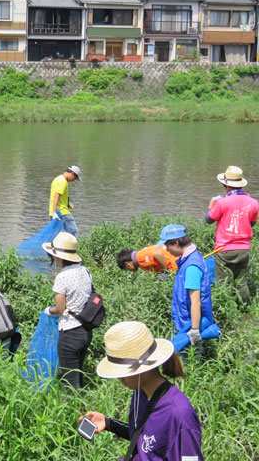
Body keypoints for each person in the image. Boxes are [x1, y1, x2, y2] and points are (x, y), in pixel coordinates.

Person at [83, 321, 203, 461]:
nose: (118, 378)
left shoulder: (179, 414)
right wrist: (109, 424)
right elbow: (148, 439)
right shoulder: (141, 392)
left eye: (122, 371)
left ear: (143, 369)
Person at [42, 232, 92, 388]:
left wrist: (48, 311)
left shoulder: (62, 277)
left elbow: (60, 308)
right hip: (86, 330)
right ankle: (82, 404)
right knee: (78, 372)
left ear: (58, 257)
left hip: (70, 333)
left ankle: (74, 409)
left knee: (70, 381)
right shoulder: (85, 271)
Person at [205, 166, 258, 307]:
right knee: (241, 280)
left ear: (225, 184)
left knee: (223, 281)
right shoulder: (253, 203)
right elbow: (251, 223)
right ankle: (245, 307)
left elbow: (208, 220)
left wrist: (211, 205)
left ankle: (226, 308)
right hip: (244, 249)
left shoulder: (222, 202)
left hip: (224, 249)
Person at [160, 225, 215, 350]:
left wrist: (195, 330)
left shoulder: (191, 267)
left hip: (189, 322)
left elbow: (195, 301)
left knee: (189, 353)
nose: (167, 250)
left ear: (176, 242)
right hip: (186, 318)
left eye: (168, 246)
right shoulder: (190, 257)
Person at [49, 165, 82, 236]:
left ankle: (55, 246)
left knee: (57, 234)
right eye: (75, 178)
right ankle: (73, 247)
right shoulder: (63, 182)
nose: (73, 180)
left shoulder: (57, 179)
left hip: (55, 211)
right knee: (73, 232)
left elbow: (57, 195)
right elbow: (56, 196)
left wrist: (67, 203)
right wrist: (55, 212)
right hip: (62, 212)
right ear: (72, 174)